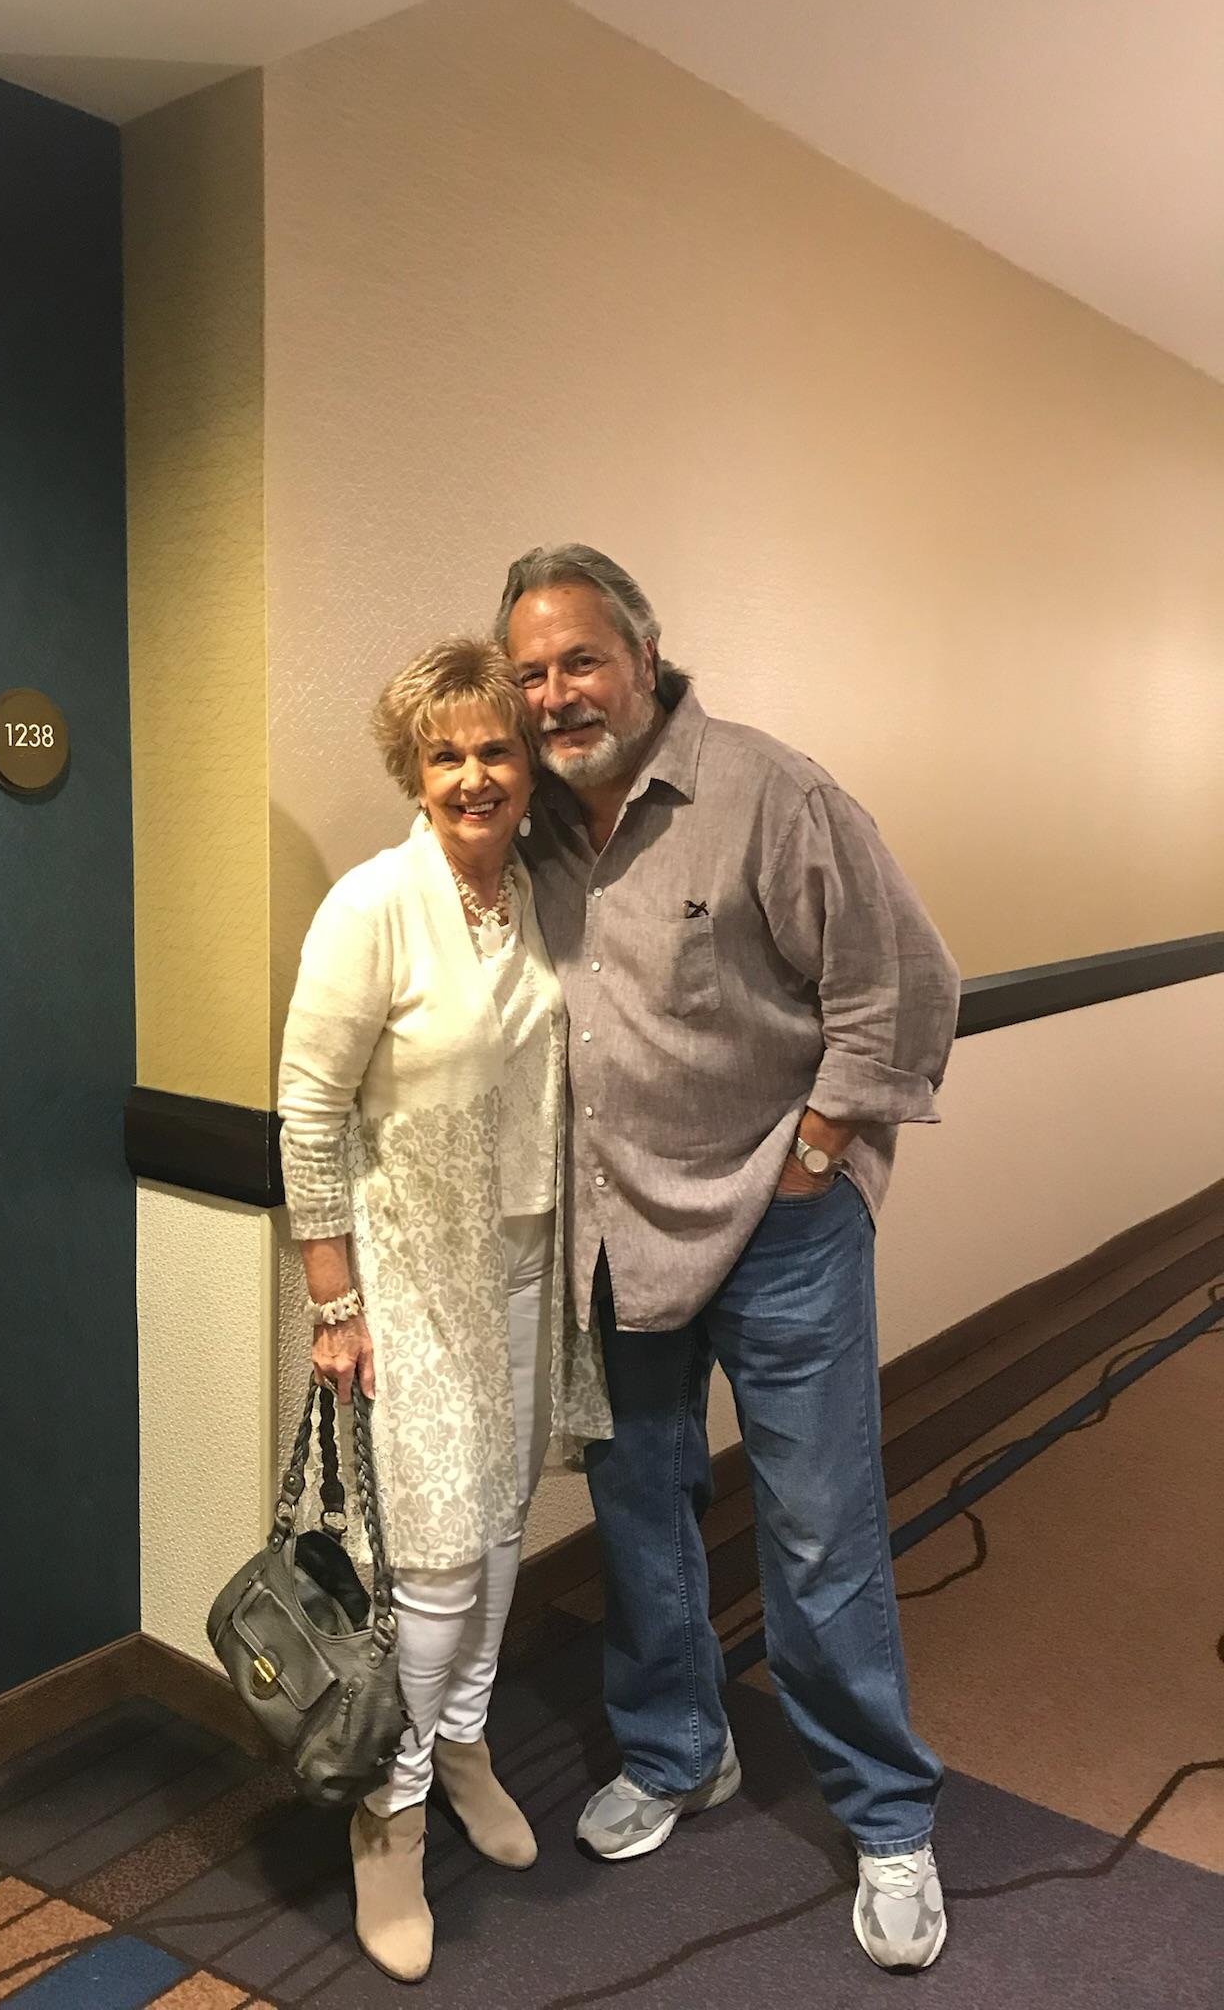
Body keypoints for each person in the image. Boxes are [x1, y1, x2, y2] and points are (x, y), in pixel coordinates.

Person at [495, 545, 960, 1974]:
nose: (556, 694)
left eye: (581, 660)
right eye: (531, 673)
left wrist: (816, 1153)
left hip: (782, 1226)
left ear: (646, 657)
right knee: (640, 1504)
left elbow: (905, 982)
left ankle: (889, 1818)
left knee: (819, 1529)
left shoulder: (770, 794)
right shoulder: (526, 825)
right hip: (614, 1230)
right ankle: (677, 1750)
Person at [277, 636, 611, 1984]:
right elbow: (309, 1109)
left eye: (495, 751)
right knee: (428, 1566)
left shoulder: (535, 894)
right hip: (412, 1282)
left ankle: (465, 1740)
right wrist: (333, 1300)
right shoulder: (373, 907)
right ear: (413, 773)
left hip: (526, 1268)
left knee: (501, 1523)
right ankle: (391, 1813)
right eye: (445, 755)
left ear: (528, 766)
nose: (474, 776)